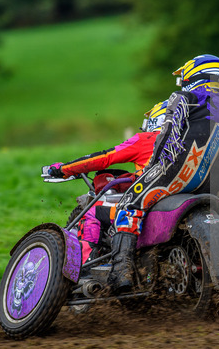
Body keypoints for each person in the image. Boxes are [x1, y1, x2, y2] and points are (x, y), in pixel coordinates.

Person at [108, 54, 219, 294]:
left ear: (194, 75)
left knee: (129, 204)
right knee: (216, 217)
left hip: (182, 170)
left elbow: (168, 135)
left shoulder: (185, 96)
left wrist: (153, 168)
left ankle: (120, 271)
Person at [47, 101, 167, 264]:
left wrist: (65, 168)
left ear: (156, 120)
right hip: (180, 197)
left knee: (92, 213)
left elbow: (105, 157)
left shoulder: (146, 139)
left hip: (149, 206)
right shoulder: (194, 142)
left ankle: (86, 265)